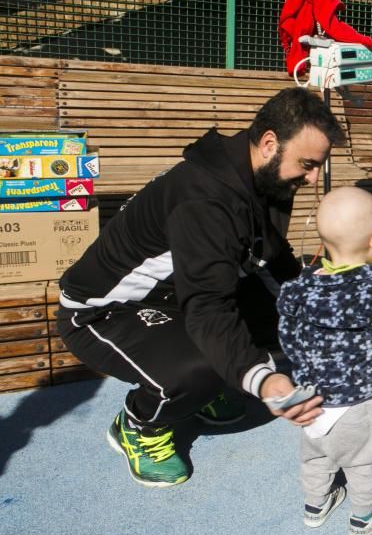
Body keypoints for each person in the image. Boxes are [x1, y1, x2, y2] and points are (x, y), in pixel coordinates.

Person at [56, 87, 338, 487]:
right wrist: (259, 377)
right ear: (270, 143)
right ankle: (138, 424)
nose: (311, 179)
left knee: (292, 314)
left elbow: (269, 254)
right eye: (308, 165)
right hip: (104, 311)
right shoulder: (204, 201)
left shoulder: (267, 179)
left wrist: (310, 302)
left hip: (178, 294)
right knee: (200, 367)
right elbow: (208, 306)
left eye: (318, 168)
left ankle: (208, 389)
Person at [276, 187, 372, 535]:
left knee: (314, 458)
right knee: (363, 464)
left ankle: (316, 506)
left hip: (308, 399)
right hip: (361, 405)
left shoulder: (298, 289)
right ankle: (363, 516)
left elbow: (288, 341)